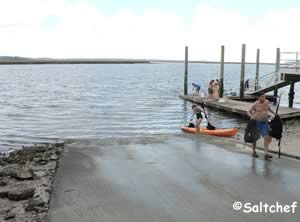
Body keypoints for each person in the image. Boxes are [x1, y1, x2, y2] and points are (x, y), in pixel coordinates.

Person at [247, 93, 276, 160]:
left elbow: (269, 109)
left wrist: (274, 113)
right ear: (258, 97)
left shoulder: (267, 102)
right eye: (262, 96)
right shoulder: (255, 104)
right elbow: (248, 111)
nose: (264, 98)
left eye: (264, 96)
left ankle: (266, 153)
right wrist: (251, 117)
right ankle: (254, 151)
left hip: (265, 122)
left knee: (267, 137)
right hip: (256, 122)